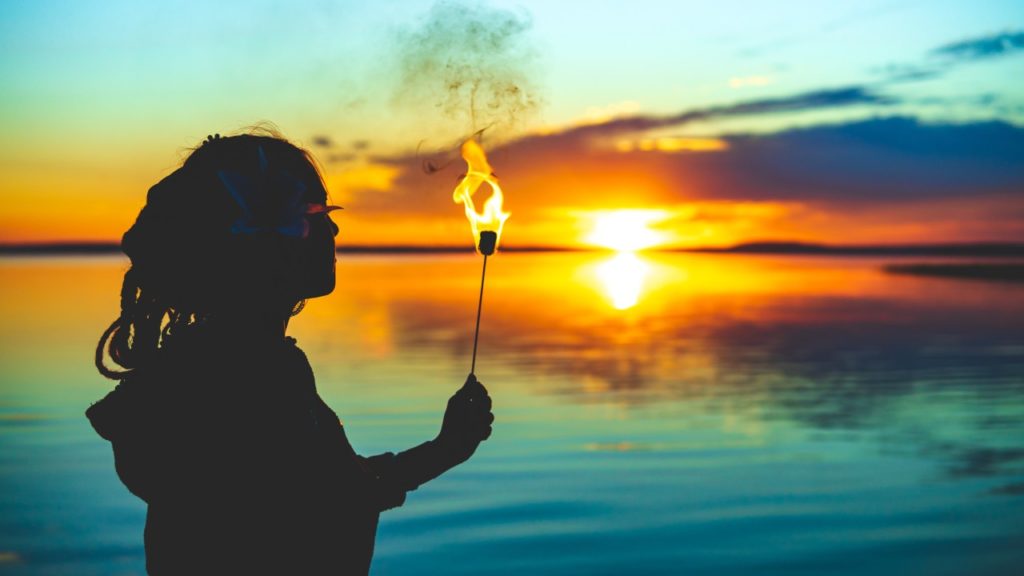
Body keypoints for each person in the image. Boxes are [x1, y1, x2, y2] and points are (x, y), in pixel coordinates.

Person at [86, 130, 494, 575]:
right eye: (314, 211)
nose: (333, 227)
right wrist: (446, 449)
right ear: (255, 237)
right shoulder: (235, 379)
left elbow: (334, 489)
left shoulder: (243, 362)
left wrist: (447, 447)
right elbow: (326, 503)